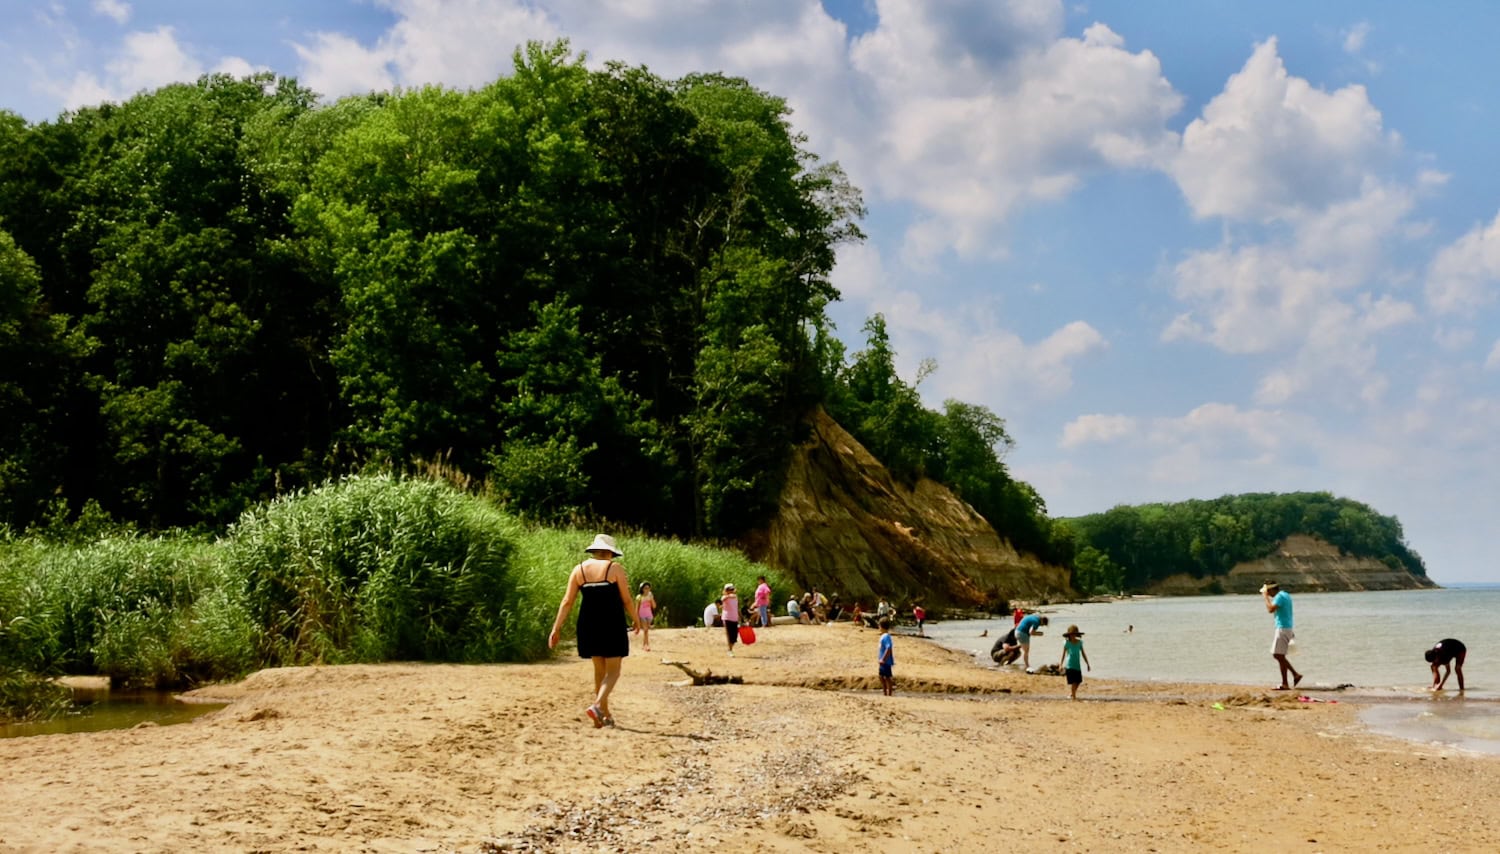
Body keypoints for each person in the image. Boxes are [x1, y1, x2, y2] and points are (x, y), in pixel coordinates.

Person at [548, 533, 633, 728]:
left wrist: (556, 628)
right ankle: (597, 706)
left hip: (588, 624)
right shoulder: (615, 568)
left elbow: (567, 601)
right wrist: (636, 619)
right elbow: (627, 599)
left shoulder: (579, 570)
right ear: (610, 552)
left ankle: (604, 716)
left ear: (594, 551)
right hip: (611, 623)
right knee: (613, 671)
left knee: (599, 671)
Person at [1261, 581, 1303, 690]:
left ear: (1271, 590)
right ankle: (1288, 681)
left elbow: (1270, 609)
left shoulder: (1279, 597)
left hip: (1282, 628)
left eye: (1268, 592)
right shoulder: (1285, 594)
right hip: (1287, 628)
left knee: (1277, 655)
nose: (1268, 594)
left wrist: (1265, 598)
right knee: (1280, 655)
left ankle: (1293, 676)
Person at [1059, 625, 1091, 700]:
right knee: (1073, 682)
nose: (1073, 636)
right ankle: (1074, 697)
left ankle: (1071, 694)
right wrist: (1060, 664)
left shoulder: (1079, 643)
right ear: (1069, 635)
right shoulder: (1066, 643)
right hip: (1069, 665)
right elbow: (1063, 654)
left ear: (1077, 634)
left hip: (1077, 665)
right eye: (1071, 634)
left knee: (1079, 681)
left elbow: (1083, 653)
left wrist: (1087, 664)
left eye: (1074, 634)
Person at [633, 581, 656, 652]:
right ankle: (646, 645)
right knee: (645, 630)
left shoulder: (650, 595)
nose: (647, 590)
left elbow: (654, 606)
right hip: (642, 615)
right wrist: (635, 619)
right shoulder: (639, 597)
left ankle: (644, 644)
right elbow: (636, 609)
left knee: (646, 630)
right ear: (642, 589)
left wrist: (651, 599)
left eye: (648, 588)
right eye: (645, 588)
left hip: (649, 615)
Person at [721, 583, 740, 656]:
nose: (731, 591)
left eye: (732, 589)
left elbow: (736, 607)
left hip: (734, 617)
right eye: (729, 589)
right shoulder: (725, 597)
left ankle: (730, 648)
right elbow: (723, 599)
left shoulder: (735, 597)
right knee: (729, 634)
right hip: (727, 617)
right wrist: (728, 595)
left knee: (734, 636)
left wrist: (740, 617)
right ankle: (730, 650)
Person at [877, 618, 895, 696]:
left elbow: (888, 648)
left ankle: (889, 693)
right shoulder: (883, 636)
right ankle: (884, 692)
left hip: (886, 661)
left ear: (881, 626)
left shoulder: (886, 636)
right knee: (881, 676)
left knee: (887, 677)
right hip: (882, 660)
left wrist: (883, 659)